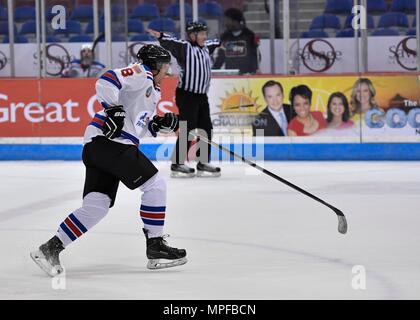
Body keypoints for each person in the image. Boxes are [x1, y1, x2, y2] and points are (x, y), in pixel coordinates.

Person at [30, 44, 187, 276]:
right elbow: (107, 79)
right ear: (153, 65)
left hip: (100, 147)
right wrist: (113, 109)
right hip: (110, 143)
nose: (168, 72)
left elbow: (139, 123)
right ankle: (155, 246)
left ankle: (49, 248)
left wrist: (158, 124)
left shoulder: (152, 89)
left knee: (96, 207)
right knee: (155, 185)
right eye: (165, 67)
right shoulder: (141, 72)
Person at [148, 21, 221, 178]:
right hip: (187, 95)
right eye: (201, 34)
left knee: (206, 127)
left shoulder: (207, 47)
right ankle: (177, 164)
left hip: (202, 96)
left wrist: (223, 42)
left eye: (204, 33)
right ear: (192, 36)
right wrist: (161, 36)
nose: (204, 36)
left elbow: (216, 42)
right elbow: (172, 42)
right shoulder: (185, 48)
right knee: (188, 128)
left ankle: (203, 162)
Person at [213, 8, 260, 75]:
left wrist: (253, 72)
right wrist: (212, 72)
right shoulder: (224, 37)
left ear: (235, 21)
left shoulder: (249, 36)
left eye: (227, 20)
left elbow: (254, 58)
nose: (225, 23)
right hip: (230, 77)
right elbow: (220, 58)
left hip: (247, 77)